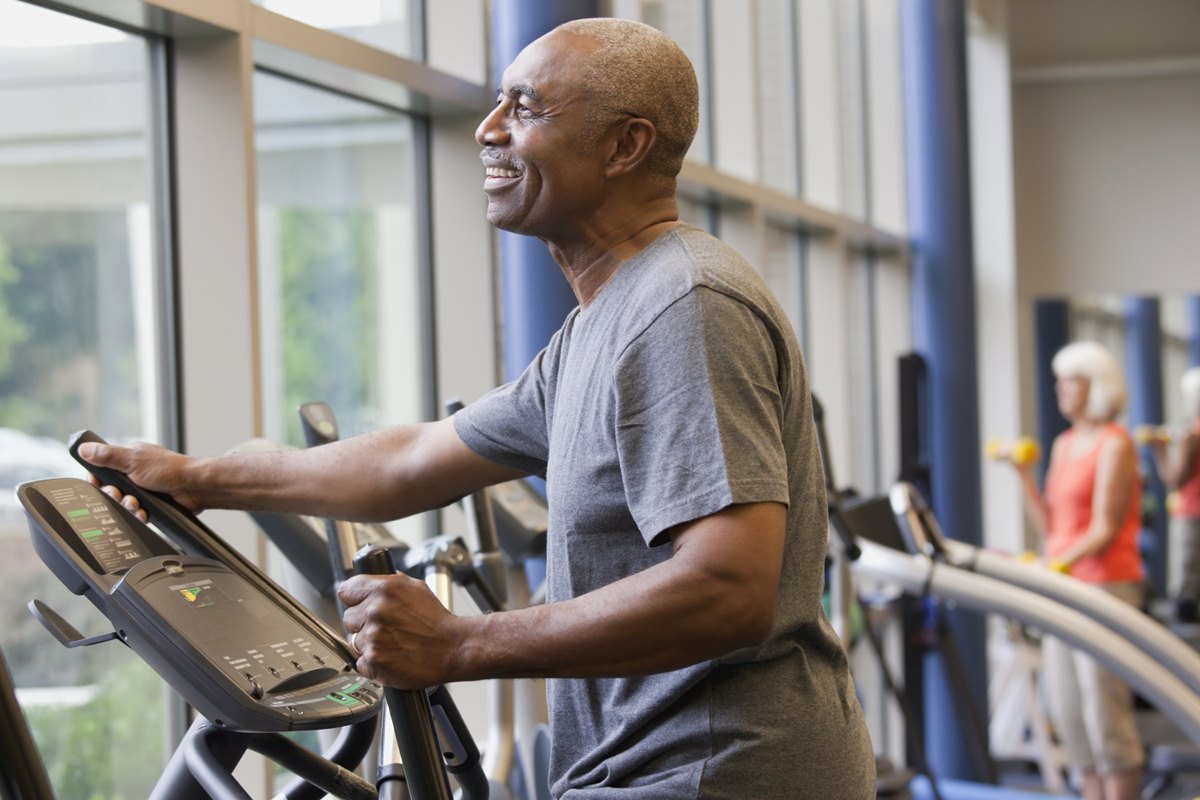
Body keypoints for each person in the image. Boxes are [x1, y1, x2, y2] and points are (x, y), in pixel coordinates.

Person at [79, 17, 875, 800]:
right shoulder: (607, 319)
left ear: (626, 146)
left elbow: (730, 587)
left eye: (525, 108)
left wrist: (460, 642)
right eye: (497, 102)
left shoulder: (683, 307)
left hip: (714, 774)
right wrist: (199, 478)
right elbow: (411, 461)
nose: (487, 130)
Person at [1002, 341, 1144, 800]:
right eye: (1059, 379)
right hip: (1065, 586)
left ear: (1094, 386)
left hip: (1106, 586)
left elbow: (1103, 528)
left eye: (1071, 380)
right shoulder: (1064, 445)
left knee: (1105, 715)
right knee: (1067, 712)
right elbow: (1052, 528)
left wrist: (1055, 563)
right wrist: (1021, 474)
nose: (1060, 388)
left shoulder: (1115, 445)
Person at [1149, 366, 1200, 623]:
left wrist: (1157, 450)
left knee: (1186, 582)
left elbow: (1173, 478)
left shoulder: (1191, 436)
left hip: (1191, 512)